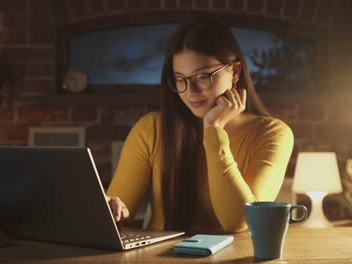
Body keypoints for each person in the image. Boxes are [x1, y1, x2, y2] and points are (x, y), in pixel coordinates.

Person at [105, 17, 294, 234]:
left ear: (235, 73)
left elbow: (239, 221)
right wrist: (112, 210)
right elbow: (116, 220)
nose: (190, 91)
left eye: (202, 77)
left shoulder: (272, 134)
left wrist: (213, 128)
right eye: (180, 79)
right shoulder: (151, 129)